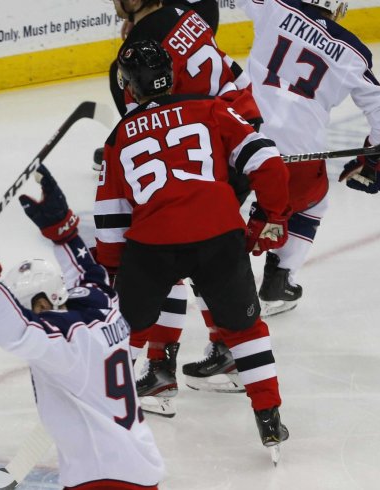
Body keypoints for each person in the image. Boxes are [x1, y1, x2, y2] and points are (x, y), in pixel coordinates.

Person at [94, 40, 291, 450]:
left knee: (123, 326)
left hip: (153, 243)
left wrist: (113, 274)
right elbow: (268, 162)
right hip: (218, 233)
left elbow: (110, 220)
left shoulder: (117, 139)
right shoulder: (211, 109)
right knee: (244, 327)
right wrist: (269, 216)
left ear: (129, 88)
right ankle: (269, 418)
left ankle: (106, 407)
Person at [0, 165, 164, 489]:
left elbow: (16, 332)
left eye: (29, 306)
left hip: (103, 477)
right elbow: (89, 274)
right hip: (130, 468)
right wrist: (64, 233)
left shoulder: (66, 342)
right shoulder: (105, 306)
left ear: (46, 301)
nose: (28, 314)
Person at [98, 0, 260, 412]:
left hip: (205, 152)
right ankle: (226, 351)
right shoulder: (186, 14)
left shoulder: (137, 50)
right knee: (201, 251)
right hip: (234, 131)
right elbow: (230, 75)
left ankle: (162, 370)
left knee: (162, 246)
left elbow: (143, 131)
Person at [235, 0, 380, 316]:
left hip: (241, 136)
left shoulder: (276, 7)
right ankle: (278, 281)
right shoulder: (353, 51)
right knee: (312, 202)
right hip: (298, 155)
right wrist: (376, 161)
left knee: (223, 203)